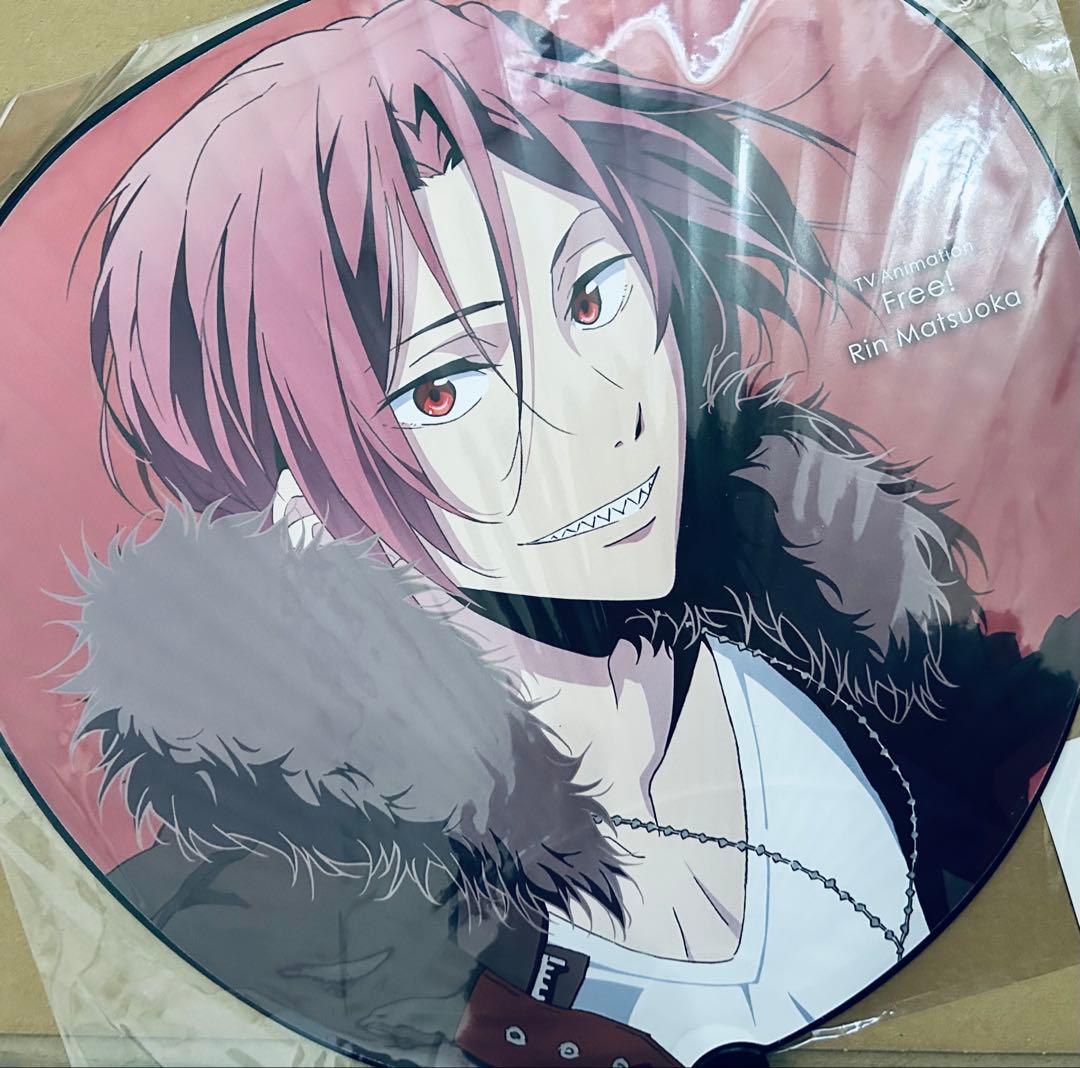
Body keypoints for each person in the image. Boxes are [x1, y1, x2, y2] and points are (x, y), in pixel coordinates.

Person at [61, 1, 1078, 1064]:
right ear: (297, 508)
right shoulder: (313, 925)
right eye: (446, 386)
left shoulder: (882, 650)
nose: (594, 416)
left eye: (593, 295)